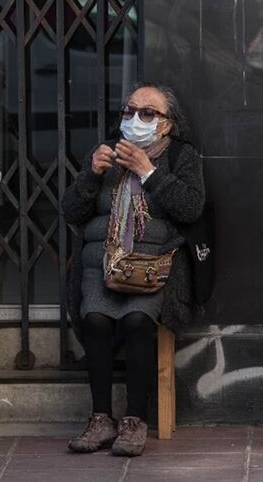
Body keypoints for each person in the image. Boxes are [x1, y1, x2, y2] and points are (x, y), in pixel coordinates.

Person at [62, 83, 204, 457]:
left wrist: (149, 172)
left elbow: (191, 209)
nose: (134, 119)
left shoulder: (181, 156)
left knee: (138, 323)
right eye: (129, 111)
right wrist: (91, 175)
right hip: (100, 266)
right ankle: (100, 418)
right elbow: (72, 213)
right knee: (95, 320)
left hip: (154, 268)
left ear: (166, 125)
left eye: (147, 113)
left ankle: (135, 420)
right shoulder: (104, 153)